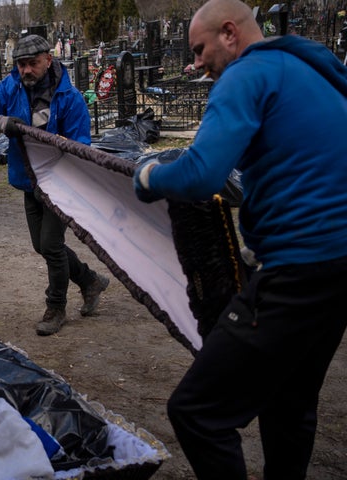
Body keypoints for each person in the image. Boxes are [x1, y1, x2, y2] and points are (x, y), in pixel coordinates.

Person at [133, 0, 347, 478]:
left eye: (200, 49)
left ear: (230, 33)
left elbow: (199, 175)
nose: (196, 63)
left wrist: (148, 175)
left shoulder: (244, 76)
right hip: (340, 266)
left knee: (196, 412)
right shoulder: (311, 68)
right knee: (290, 401)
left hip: (298, 269)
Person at [0, 34, 110, 336]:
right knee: (43, 245)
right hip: (28, 180)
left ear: (48, 59)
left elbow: (82, 146)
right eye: (21, 65)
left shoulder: (69, 98)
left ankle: (56, 308)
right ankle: (90, 281)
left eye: (32, 63)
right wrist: (0, 122)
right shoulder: (12, 87)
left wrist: (65, 145)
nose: (26, 70)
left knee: (51, 245)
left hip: (59, 184)